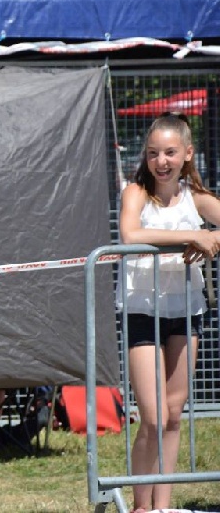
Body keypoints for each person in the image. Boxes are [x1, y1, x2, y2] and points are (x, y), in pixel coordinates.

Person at [118, 111, 220, 513]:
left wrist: (212, 237)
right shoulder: (136, 192)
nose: (161, 161)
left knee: (174, 414)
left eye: (170, 153)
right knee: (154, 417)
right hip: (142, 311)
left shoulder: (197, 197)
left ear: (187, 154)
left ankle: (162, 505)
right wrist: (192, 235)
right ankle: (141, 504)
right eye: (153, 153)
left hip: (185, 310)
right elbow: (131, 234)